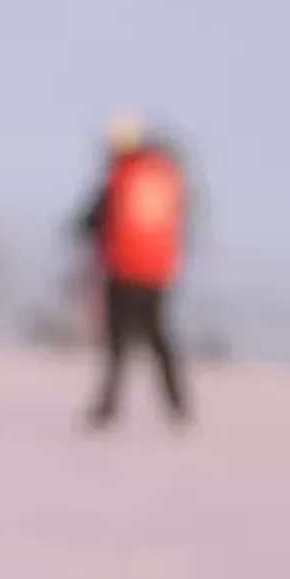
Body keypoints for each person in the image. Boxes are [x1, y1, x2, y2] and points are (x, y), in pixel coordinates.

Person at [76, 116, 189, 426]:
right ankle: (178, 407)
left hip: (123, 269)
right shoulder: (165, 175)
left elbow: (95, 218)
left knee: (118, 342)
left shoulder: (121, 174)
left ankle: (107, 409)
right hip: (157, 273)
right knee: (158, 339)